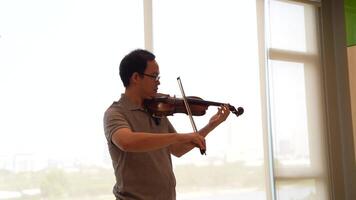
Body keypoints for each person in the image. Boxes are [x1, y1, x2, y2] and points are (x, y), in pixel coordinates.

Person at [103, 49, 231, 200]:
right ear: (136, 77)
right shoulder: (115, 113)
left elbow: (177, 149)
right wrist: (177, 136)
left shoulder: (157, 110)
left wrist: (210, 126)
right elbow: (127, 142)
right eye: (154, 76)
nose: (158, 81)